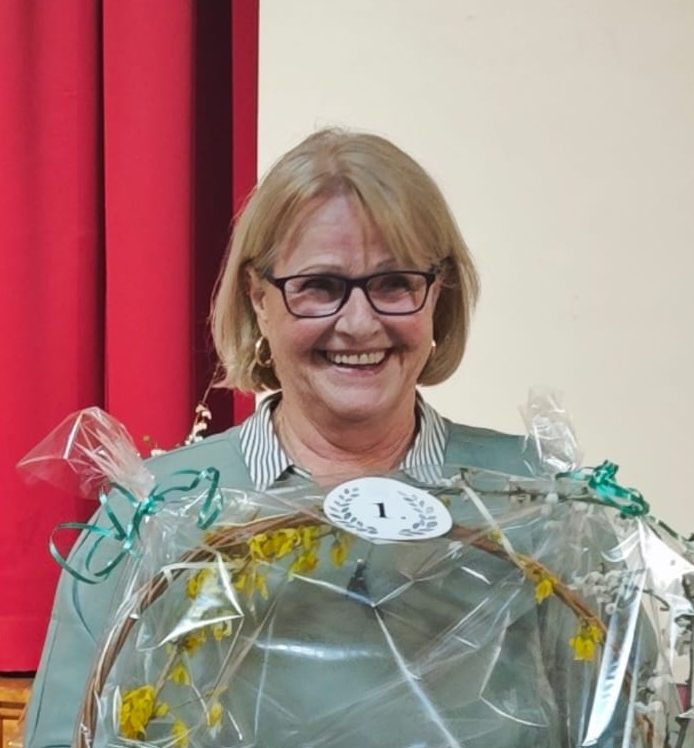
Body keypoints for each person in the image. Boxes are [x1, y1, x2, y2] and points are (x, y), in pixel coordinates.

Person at [23, 129, 543, 746]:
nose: (359, 323)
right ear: (259, 299)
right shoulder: (151, 515)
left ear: (438, 294)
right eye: (319, 286)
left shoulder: (535, 506)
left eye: (394, 283)